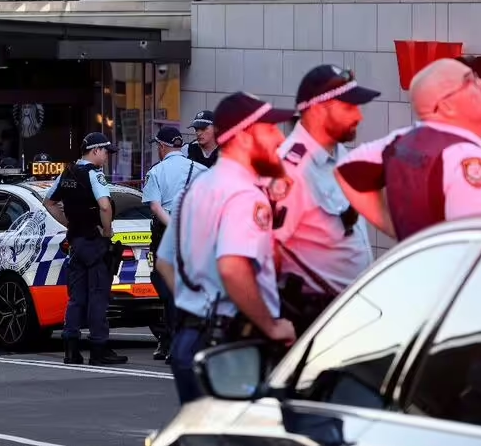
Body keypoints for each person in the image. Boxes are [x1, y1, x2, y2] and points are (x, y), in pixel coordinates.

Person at [153, 92, 298, 405]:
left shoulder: (196, 189)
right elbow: (233, 268)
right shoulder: (245, 195)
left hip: (191, 340)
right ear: (245, 136)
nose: (277, 137)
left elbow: (165, 263)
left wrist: (198, 306)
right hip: (232, 347)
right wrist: (272, 326)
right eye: (269, 129)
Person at [334, 58, 481, 241]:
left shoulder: (399, 140)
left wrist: (404, 236)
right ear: (446, 106)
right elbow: (479, 244)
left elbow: (346, 170)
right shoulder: (465, 157)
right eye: (470, 80)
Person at [267, 65, 380, 334]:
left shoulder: (340, 155)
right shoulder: (291, 170)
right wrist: (271, 325)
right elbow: (264, 255)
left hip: (348, 316)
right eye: (349, 107)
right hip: (312, 319)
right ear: (319, 109)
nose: (359, 116)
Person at [43, 132, 128, 366]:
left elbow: (49, 202)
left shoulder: (67, 173)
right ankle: (99, 349)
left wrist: (69, 223)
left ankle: (71, 350)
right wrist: (108, 231)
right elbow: (104, 205)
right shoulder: (94, 174)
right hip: (93, 241)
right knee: (98, 296)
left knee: (76, 298)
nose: (107, 157)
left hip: (76, 242)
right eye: (105, 152)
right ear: (95, 151)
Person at [141, 126, 208, 362]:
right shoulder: (200, 169)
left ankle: (174, 342)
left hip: (166, 232)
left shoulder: (156, 172)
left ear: (162, 146)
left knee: (168, 290)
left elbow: (155, 207)